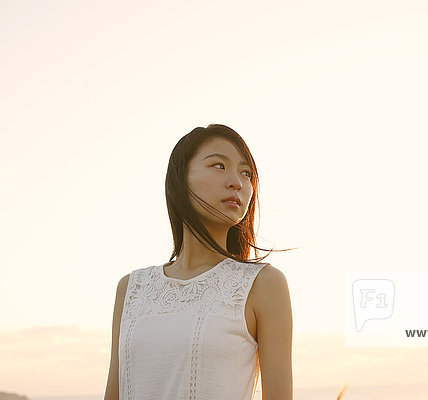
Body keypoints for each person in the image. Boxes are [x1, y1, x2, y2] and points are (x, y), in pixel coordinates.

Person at [103, 124, 293, 400]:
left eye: (246, 173)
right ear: (181, 179)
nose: (237, 182)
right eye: (219, 165)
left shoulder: (263, 284)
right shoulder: (132, 288)